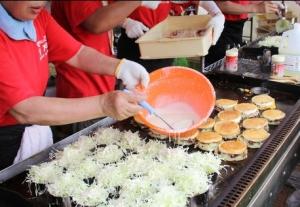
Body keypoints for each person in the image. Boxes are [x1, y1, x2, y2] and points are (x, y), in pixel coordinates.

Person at [0, 1, 150, 170]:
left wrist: (119, 67)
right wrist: (103, 104)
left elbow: (78, 53)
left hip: (36, 126)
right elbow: (25, 109)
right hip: (7, 139)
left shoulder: (38, 17)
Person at [50, 1, 160, 133]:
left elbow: (100, 11)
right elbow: (95, 22)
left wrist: (125, 22)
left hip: (102, 88)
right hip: (82, 95)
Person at [117, 1, 225, 73]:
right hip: (134, 42)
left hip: (164, 42)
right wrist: (125, 22)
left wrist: (217, 13)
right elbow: (104, 10)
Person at [205, 1, 282, 66]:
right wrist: (256, 7)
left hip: (237, 26)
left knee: (232, 64)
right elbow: (220, 5)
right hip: (222, 28)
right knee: (218, 67)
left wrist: (271, 5)